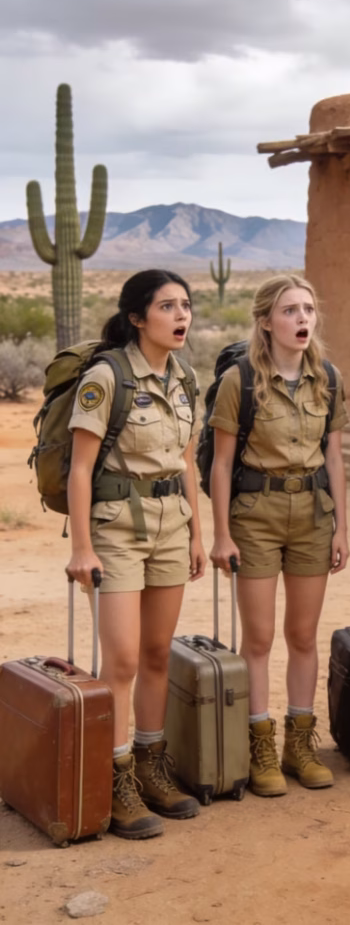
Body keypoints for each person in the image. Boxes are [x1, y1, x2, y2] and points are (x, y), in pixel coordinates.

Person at [66, 269, 206, 840]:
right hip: (116, 531)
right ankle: (116, 776)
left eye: (186, 306)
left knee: (156, 655)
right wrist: (80, 547)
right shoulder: (107, 377)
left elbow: (188, 460)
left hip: (172, 527)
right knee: (120, 661)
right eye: (167, 306)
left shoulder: (186, 378)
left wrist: (198, 531)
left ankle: (152, 768)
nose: (181, 316)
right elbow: (79, 468)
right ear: (136, 317)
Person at [208, 275, 348, 797]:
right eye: (290, 311)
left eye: (308, 309)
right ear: (266, 320)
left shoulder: (327, 378)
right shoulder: (239, 380)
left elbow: (334, 456)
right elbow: (221, 464)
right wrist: (221, 534)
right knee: (260, 638)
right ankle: (260, 744)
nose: (302, 319)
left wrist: (342, 527)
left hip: (312, 514)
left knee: (304, 637)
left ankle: (300, 744)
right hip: (255, 514)